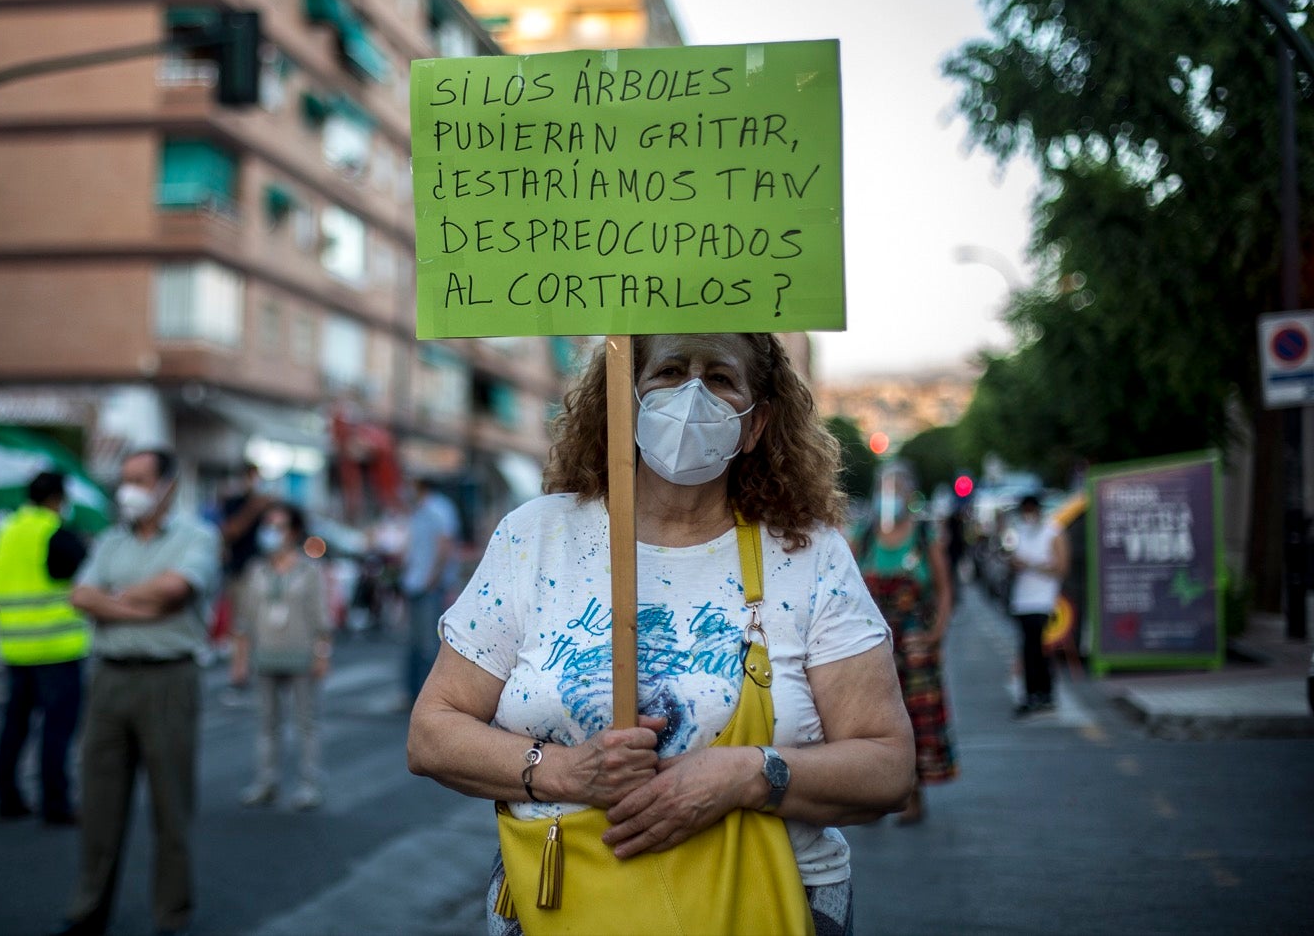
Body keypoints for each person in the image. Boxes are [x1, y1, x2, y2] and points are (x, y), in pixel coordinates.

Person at [407, 333, 914, 936]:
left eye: (722, 379)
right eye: (670, 371)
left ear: (756, 425)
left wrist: (746, 775)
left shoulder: (810, 557)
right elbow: (433, 732)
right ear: (627, 402)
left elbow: (887, 766)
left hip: (766, 899)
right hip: (564, 902)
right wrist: (566, 772)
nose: (693, 394)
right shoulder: (536, 538)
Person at [53, 448, 221, 936]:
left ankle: (171, 917)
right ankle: (88, 911)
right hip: (109, 677)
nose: (128, 490)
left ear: (167, 485)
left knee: (171, 808)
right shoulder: (110, 540)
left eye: (140, 480)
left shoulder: (198, 537)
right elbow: (81, 595)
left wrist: (112, 600)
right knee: (99, 805)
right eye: (124, 480)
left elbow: (176, 589)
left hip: (169, 679)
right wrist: (137, 609)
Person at [854, 465, 957, 825]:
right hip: (870, 646)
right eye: (885, 487)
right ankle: (872, 794)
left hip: (915, 649)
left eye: (896, 488)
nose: (890, 495)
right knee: (867, 721)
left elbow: (945, 591)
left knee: (914, 720)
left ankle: (912, 792)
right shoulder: (863, 537)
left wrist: (937, 633)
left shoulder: (924, 537)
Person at [0, 471, 90, 825]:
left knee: (14, 724)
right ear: (57, 499)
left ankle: (7, 796)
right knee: (57, 729)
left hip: (15, 647)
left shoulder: (7, 530)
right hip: (56, 648)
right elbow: (86, 576)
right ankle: (56, 803)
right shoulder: (56, 533)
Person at [235, 502, 334, 811]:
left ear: (292, 532)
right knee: (267, 724)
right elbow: (245, 619)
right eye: (268, 526)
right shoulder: (256, 570)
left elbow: (321, 618)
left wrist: (321, 654)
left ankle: (309, 786)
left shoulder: (309, 570)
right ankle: (266, 783)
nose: (271, 533)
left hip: (300, 656)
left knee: (306, 723)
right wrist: (239, 658)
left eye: (278, 527)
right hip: (265, 655)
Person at [399, 473, 461, 704]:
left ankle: (429, 699)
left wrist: (433, 579)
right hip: (414, 583)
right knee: (413, 642)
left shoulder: (438, 509)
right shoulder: (418, 511)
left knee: (428, 644)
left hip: (428, 585)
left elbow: (444, 545)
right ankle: (412, 694)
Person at [1008, 494, 1069, 717]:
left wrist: (1032, 566)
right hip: (1022, 600)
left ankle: (1042, 693)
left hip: (1043, 599)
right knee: (1028, 649)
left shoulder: (1053, 531)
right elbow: (1010, 558)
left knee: (1038, 648)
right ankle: (1034, 692)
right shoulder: (1019, 531)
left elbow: (1061, 567)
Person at [220, 464, 272, 700]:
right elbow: (230, 531)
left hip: (262, 571)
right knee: (240, 625)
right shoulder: (236, 503)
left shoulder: (267, 505)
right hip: (241, 572)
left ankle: (257, 669)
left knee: (260, 623)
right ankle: (238, 672)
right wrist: (254, 508)